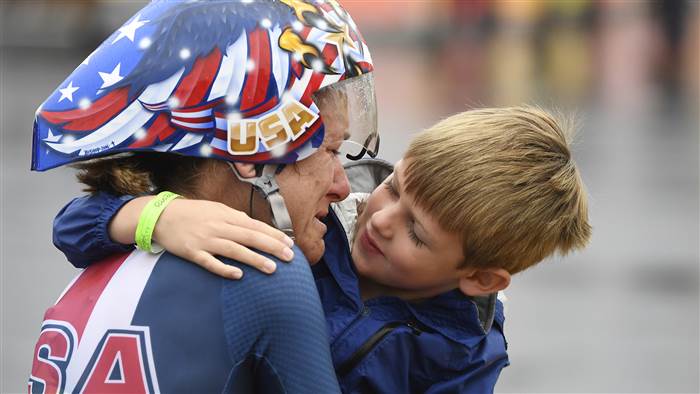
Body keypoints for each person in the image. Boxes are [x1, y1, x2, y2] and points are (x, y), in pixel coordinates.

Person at [53, 107, 592, 392]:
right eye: (395, 187)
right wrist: (161, 215)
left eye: (417, 233)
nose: (379, 219)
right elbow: (74, 227)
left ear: (480, 279)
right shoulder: (312, 216)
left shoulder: (464, 355)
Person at [28, 0, 380, 393]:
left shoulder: (103, 252)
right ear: (255, 150)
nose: (342, 185)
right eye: (330, 150)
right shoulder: (269, 270)